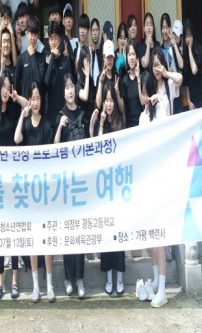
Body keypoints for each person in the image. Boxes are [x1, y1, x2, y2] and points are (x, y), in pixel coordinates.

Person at [137, 46, 179, 308]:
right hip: (148, 179)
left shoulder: (167, 97)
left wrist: (166, 72)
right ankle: (154, 281)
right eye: (153, 65)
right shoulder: (144, 116)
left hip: (164, 174)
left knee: (160, 233)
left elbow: (180, 79)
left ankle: (163, 287)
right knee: (151, 233)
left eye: (158, 64)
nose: (156, 68)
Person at [0, 70, 27, 300]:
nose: (5, 90)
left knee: (14, 232)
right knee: (1, 234)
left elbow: (28, 105)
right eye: (3, 86)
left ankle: (14, 281)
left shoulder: (14, 114)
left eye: (8, 87)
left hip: (14, 182)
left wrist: (16, 96)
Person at [14, 83, 55, 303]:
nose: (36, 102)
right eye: (33, 99)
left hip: (45, 189)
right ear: (29, 100)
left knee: (46, 239)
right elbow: (17, 139)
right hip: (29, 189)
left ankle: (49, 285)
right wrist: (23, 115)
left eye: (39, 98)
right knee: (33, 240)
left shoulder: (47, 124)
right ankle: (36, 286)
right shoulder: (27, 124)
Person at [54, 73, 88, 299]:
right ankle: (68, 278)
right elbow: (55, 147)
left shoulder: (83, 113)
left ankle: (80, 278)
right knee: (68, 230)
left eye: (72, 86)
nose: (69, 90)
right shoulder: (60, 116)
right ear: (63, 91)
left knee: (81, 230)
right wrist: (59, 127)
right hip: (66, 183)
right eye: (66, 87)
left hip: (82, 181)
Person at [89, 86, 126, 295]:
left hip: (117, 183)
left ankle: (120, 277)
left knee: (118, 232)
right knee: (106, 232)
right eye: (107, 100)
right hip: (103, 186)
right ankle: (109, 278)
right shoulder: (100, 123)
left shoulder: (120, 122)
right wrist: (101, 123)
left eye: (112, 100)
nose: (109, 104)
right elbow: (98, 147)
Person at [44, 19, 74, 128]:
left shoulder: (65, 60)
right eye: (51, 38)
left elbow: (70, 86)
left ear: (59, 39)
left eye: (55, 38)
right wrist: (52, 56)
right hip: (50, 116)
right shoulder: (46, 60)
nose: (53, 42)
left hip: (64, 114)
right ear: (48, 40)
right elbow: (46, 82)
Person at [182, 18, 202, 109]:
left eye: (189, 36)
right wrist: (189, 101)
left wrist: (189, 49)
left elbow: (194, 70)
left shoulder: (198, 49)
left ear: (193, 35)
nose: (188, 39)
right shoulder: (183, 54)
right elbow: (186, 82)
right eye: (186, 36)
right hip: (193, 96)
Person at [13, 14, 45, 100]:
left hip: (37, 105)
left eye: (35, 34)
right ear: (27, 33)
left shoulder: (41, 57)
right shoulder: (21, 58)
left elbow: (39, 81)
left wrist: (32, 56)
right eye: (31, 33)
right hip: (25, 105)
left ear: (38, 35)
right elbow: (16, 86)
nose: (33, 38)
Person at [119, 39, 144, 128]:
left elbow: (143, 102)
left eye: (133, 54)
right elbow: (124, 109)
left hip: (142, 123)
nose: (131, 58)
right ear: (126, 58)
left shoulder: (143, 77)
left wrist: (138, 79)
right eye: (129, 55)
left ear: (137, 57)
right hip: (129, 125)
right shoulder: (124, 80)